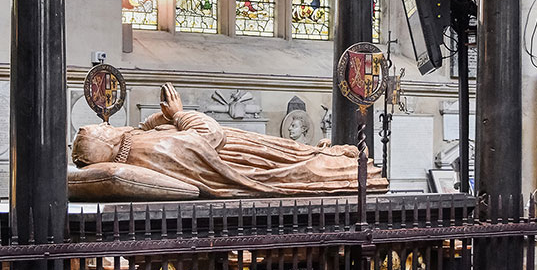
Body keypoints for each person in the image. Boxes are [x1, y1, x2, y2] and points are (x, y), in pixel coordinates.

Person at [71, 84, 386, 197]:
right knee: (295, 159)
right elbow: (207, 137)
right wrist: (179, 114)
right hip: (238, 155)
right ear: (102, 140)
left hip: (231, 155)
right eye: (98, 129)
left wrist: (158, 120)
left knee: (298, 154)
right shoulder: (142, 148)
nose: (104, 126)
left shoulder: (134, 145)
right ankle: (349, 166)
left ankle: (342, 162)